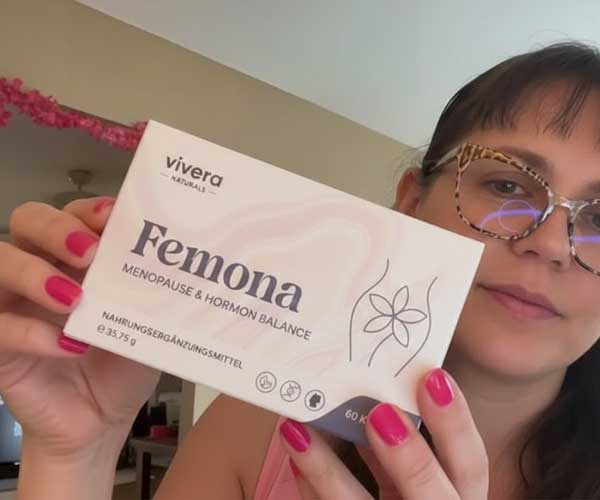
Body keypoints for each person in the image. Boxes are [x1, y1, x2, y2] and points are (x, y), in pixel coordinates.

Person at [3, 40, 600, 500]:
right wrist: (74, 456)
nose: (551, 244)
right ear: (412, 204)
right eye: (507, 185)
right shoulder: (261, 426)